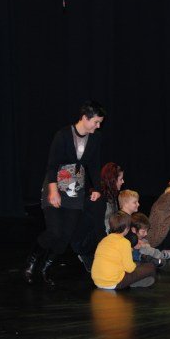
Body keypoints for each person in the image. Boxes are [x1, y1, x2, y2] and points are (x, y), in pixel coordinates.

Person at [24, 101, 105, 286]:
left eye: (100, 122)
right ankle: (32, 261)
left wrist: (97, 188)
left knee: (65, 235)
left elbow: (94, 165)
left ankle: (45, 267)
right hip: (56, 184)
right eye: (96, 122)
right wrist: (53, 191)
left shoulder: (95, 138)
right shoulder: (63, 135)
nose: (98, 126)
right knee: (54, 231)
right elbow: (52, 165)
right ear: (85, 118)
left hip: (75, 189)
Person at [74, 162, 124, 273]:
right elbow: (99, 229)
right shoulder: (99, 199)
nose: (123, 182)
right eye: (121, 179)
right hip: (84, 242)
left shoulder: (111, 196)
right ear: (113, 180)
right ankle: (87, 255)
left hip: (98, 236)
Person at [91, 211, 156, 289]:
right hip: (113, 282)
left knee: (140, 270)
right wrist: (136, 266)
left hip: (97, 281)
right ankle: (130, 282)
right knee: (150, 267)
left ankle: (132, 282)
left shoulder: (104, 240)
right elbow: (130, 269)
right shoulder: (124, 242)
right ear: (126, 229)